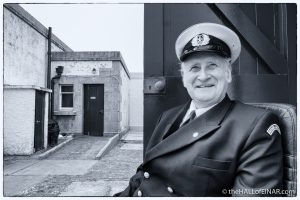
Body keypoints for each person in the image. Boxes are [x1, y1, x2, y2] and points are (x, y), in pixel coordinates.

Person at [114, 23, 283, 197]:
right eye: (194, 68)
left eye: (212, 66)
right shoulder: (168, 117)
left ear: (228, 73)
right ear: (184, 77)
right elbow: (144, 177)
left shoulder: (256, 126)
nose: (203, 76)